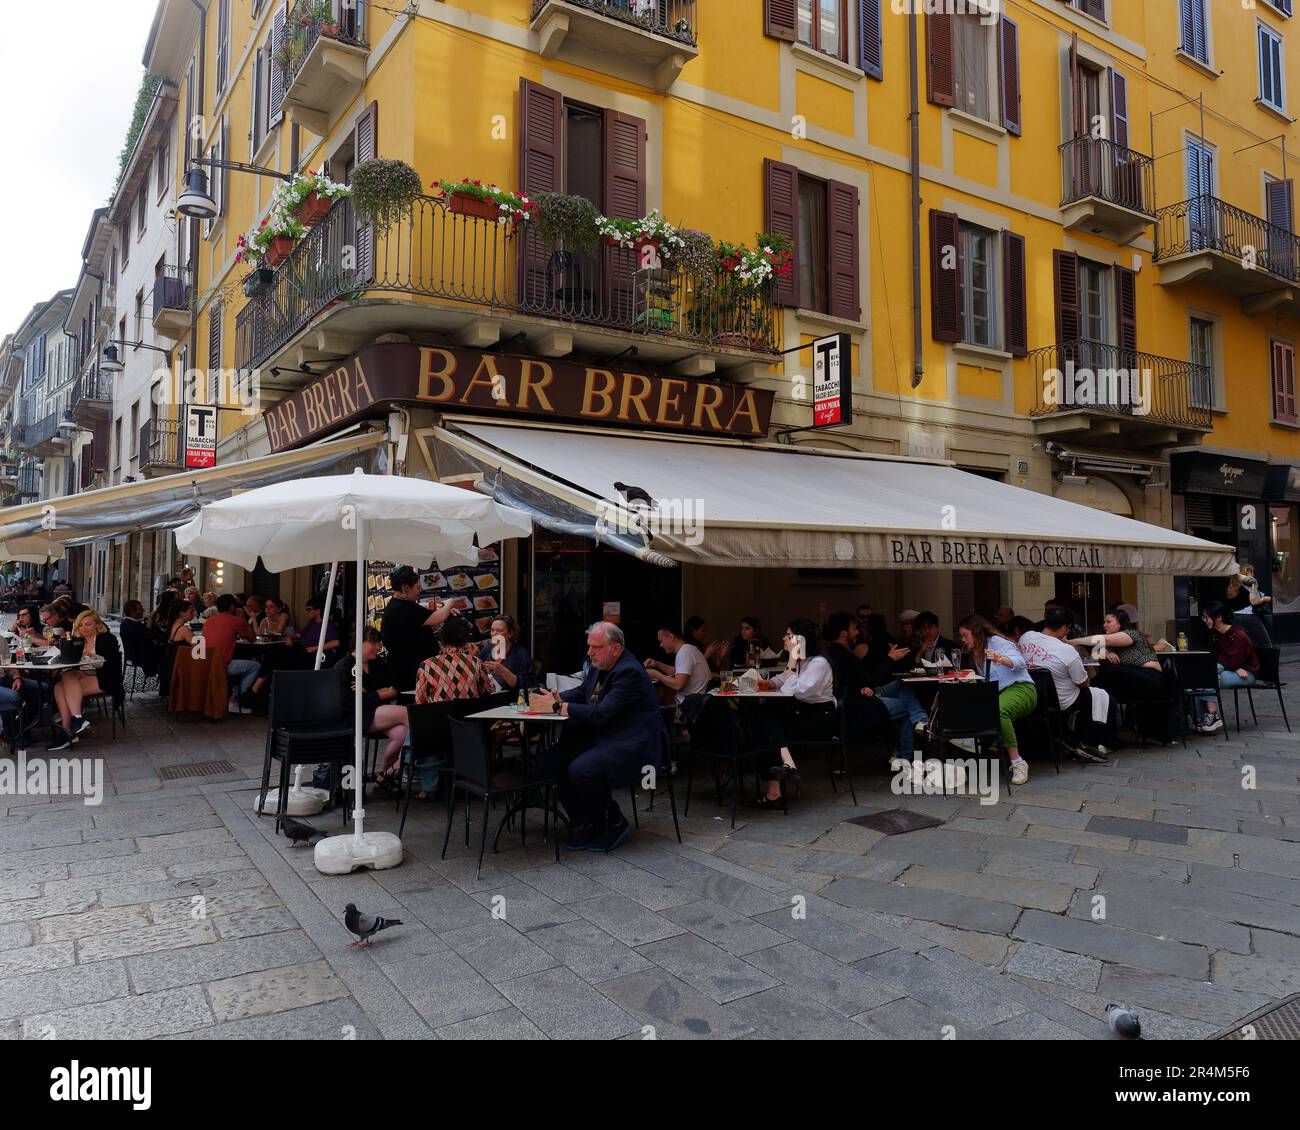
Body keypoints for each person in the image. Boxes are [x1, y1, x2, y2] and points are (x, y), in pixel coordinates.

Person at [529, 622, 662, 853]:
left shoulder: (628, 672)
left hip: (630, 742)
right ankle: (587, 821)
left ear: (616, 649)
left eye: (596, 647)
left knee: (582, 769)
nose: (589, 652)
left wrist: (558, 706)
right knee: (550, 762)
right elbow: (583, 692)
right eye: (589, 646)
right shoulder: (601, 664)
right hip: (604, 734)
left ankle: (614, 821)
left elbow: (602, 713)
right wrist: (553, 698)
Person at [748, 618, 837, 809]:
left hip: (819, 721)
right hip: (804, 716)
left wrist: (790, 660)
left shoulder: (818, 664)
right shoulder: (803, 662)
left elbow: (796, 691)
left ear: (799, 640)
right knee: (764, 719)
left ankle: (777, 787)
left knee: (765, 724)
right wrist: (770, 683)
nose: (783, 638)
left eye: (788, 635)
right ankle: (786, 769)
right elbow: (785, 679)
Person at [823, 612, 928, 761]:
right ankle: (904, 754)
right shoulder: (842, 656)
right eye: (854, 629)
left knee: (903, 684)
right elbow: (870, 680)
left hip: (866, 693)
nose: (857, 632)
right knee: (908, 707)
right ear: (843, 633)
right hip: (860, 703)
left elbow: (865, 675)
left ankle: (919, 721)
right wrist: (890, 659)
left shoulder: (839, 652)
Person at [1017, 608, 1112, 761]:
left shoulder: (1026, 637)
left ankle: (1065, 738)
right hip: (1059, 701)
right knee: (1096, 695)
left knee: (1091, 694)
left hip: (1031, 694)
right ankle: (1086, 743)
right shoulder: (1067, 650)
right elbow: (1082, 683)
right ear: (1064, 628)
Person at [957, 616, 1036, 785]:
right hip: (998, 693)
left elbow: (1020, 661)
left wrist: (1000, 659)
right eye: (961, 636)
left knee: (998, 710)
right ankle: (966, 746)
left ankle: (1018, 762)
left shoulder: (997, 642)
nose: (963, 640)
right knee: (963, 702)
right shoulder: (976, 652)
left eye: (965, 635)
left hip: (1021, 688)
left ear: (976, 632)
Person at [336, 628, 408, 788]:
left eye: (379, 643)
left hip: (377, 712)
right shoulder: (343, 667)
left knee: (403, 734)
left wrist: (368, 693)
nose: (378, 647)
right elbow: (347, 701)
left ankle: (383, 775)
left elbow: (394, 690)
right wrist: (379, 694)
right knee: (408, 714)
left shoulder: (379, 663)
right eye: (374, 643)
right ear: (359, 644)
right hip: (354, 716)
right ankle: (406, 762)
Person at [48, 610, 121, 752]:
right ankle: (72, 724)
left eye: (88, 624)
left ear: (97, 625)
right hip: (83, 675)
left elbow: (110, 664)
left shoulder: (107, 639)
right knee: (60, 683)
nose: (84, 628)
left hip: (104, 677)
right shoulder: (77, 641)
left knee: (63, 685)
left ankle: (68, 729)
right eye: (80, 625)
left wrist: (92, 657)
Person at [383, 565, 454, 692]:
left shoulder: (396, 604)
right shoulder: (405, 609)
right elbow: (440, 617)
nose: (419, 590)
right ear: (405, 589)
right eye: (417, 587)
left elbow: (422, 612)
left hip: (403, 669)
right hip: (410, 672)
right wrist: (449, 603)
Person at [1194, 601, 1259, 734]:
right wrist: (1233, 666)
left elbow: (1231, 660)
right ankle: (1203, 717)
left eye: (1207, 617)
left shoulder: (1239, 636)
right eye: (1204, 617)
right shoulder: (1214, 634)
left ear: (1219, 617)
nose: (1205, 620)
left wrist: (1233, 665)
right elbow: (1215, 657)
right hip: (1232, 669)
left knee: (1208, 676)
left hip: (1247, 673)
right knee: (1201, 677)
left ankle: (1212, 716)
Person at [415, 614, 493, 704]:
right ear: (465, 641)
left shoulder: (427, 664)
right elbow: (487, 692)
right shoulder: (476, 662)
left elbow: (419, 702)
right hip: (468, 716)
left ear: (442, 639)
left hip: (439, 716)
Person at [200, 594, 257, 714]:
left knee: (238, 662)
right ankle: (234, 700)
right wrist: (248, 619)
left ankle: (231, 692)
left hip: (206, 663)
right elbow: (252, 639)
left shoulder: (208, 621)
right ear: (232, 607)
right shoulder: (236, 620)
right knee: (255, 666)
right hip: (222, 665)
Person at [644, 624, 711, 706]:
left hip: (690, 705)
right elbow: (678, 671)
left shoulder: (684, 653)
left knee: (654, 696)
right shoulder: (689, 648)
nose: (661, 645)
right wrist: (657, 664)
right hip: (696, 700)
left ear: (671, 637)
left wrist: (656, 674)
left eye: (661, 641)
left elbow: (678, 685)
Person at [478, 614, 534, 693]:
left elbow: (527, 685)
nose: (494, 634)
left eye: (499, 630)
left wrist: (502, 671)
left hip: (510, 702)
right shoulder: (487, 649)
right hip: (488, 700)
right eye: (492, 630)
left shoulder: (521, 654)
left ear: (510, 634)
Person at [1226, 567, 1273, 650]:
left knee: (1239, 644)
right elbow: (1254, 601)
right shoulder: (1250, 582)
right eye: (1252, 571)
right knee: (1265, 645)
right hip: (1249, 616)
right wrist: (1265, 599)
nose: (1253, 573)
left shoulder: (1233, 583)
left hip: (1234, 616)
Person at [119, 599, 161, 679]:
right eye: (141, 609)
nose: (143, 610)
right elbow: (151, 635)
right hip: (141, 656)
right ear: (133, 612)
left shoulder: (126, 623)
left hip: (135, 654)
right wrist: (152, 624)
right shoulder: (134, 626)